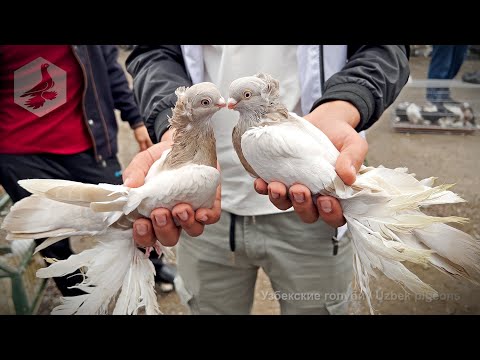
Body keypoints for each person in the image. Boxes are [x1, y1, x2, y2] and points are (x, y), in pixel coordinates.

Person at [125, 45, 410, 314]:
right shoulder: (238, 128)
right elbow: (153, 52)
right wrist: (175, 126)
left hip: (317, 212)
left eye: (242, 98)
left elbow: (384, 50)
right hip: (203, 209)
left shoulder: (265, 135)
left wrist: (346, 102)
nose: (230, 104)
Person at [0, 45, 160, 297]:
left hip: (89, 145)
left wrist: (137, 119)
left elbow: (111, 69)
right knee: (51, 237)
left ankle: (152, 271)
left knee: (128, 214)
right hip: (21, 154)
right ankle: (78, 297)